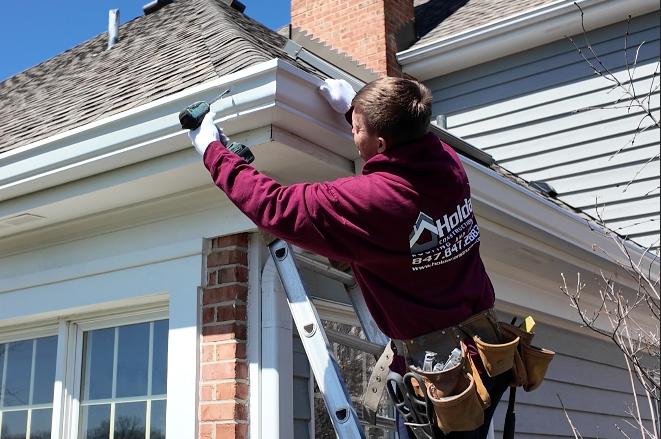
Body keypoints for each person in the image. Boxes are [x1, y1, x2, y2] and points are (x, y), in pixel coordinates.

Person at [188, 77, 510, 439]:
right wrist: (353, 110)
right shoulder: (447, 163)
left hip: (441, 380)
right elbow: (405, 137)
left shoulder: (371, 201)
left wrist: (212, 150)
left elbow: (274, 206)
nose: (353, 134)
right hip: (485, 355)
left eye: (357, 130)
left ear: (381, 143)